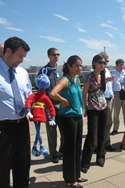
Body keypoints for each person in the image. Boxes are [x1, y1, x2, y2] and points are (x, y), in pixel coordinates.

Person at [0, 37, 31, 188]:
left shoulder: (22, 73)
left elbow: (29, 97)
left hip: (22, 125)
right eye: (20, 56)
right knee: (2, 171)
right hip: (0, 129)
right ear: (8, 51)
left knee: (23, 169)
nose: (22, 61)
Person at [50, 55, 87, 188]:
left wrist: (83, 109)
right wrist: (64, 101)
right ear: (69, 66)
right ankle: (71, 180)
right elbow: (53, 93)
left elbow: (78, 95)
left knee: (77, 147)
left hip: (77, 116)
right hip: (68, 118)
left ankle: (76, 175)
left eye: (80, 65)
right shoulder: (65, 80)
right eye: (76, 65)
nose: (79, 68)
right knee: (70, 149)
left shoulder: (76, 79)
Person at [81, 54, 115, 173]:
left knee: (101, 134)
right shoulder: (89, 77)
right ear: (94, 63)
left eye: (104, 62)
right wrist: (84, 108)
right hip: (92, 108)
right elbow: (84, 93)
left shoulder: (103, 75)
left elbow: (103, 91)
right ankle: (85, 162)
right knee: (91, 136)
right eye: (101, 62)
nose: (103, 64)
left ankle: (100, 158)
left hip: (103, 107)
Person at [38, 47, 64, 163]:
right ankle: (54, 154)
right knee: (52, 130)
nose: (56, 56)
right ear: (49, 56)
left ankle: (62, 150)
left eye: (58, 54)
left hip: (61, 102)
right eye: (54, 54)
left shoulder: (61, 70)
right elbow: (39, 88)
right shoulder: (43, 71)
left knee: (64, 128)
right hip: (49, 105)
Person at [89, 52, 115, 152]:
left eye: (107, 61)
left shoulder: (107, 70)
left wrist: (112, 94)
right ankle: (96, 145)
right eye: (104, 61)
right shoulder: (93, 71)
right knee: (98, 125)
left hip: (108, 99)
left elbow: (108, 85)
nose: (105, 63)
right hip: (98, 101)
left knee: (108, 122)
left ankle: (106, 142)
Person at [111, 59, 125, 135]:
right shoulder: (113, 74)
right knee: (116, 113)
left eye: (123, 65)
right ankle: (115, 129)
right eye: (120, 65)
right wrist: (112, 95)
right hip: (117, 94)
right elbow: (111, 86)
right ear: (117, 65)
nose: (122, 66)